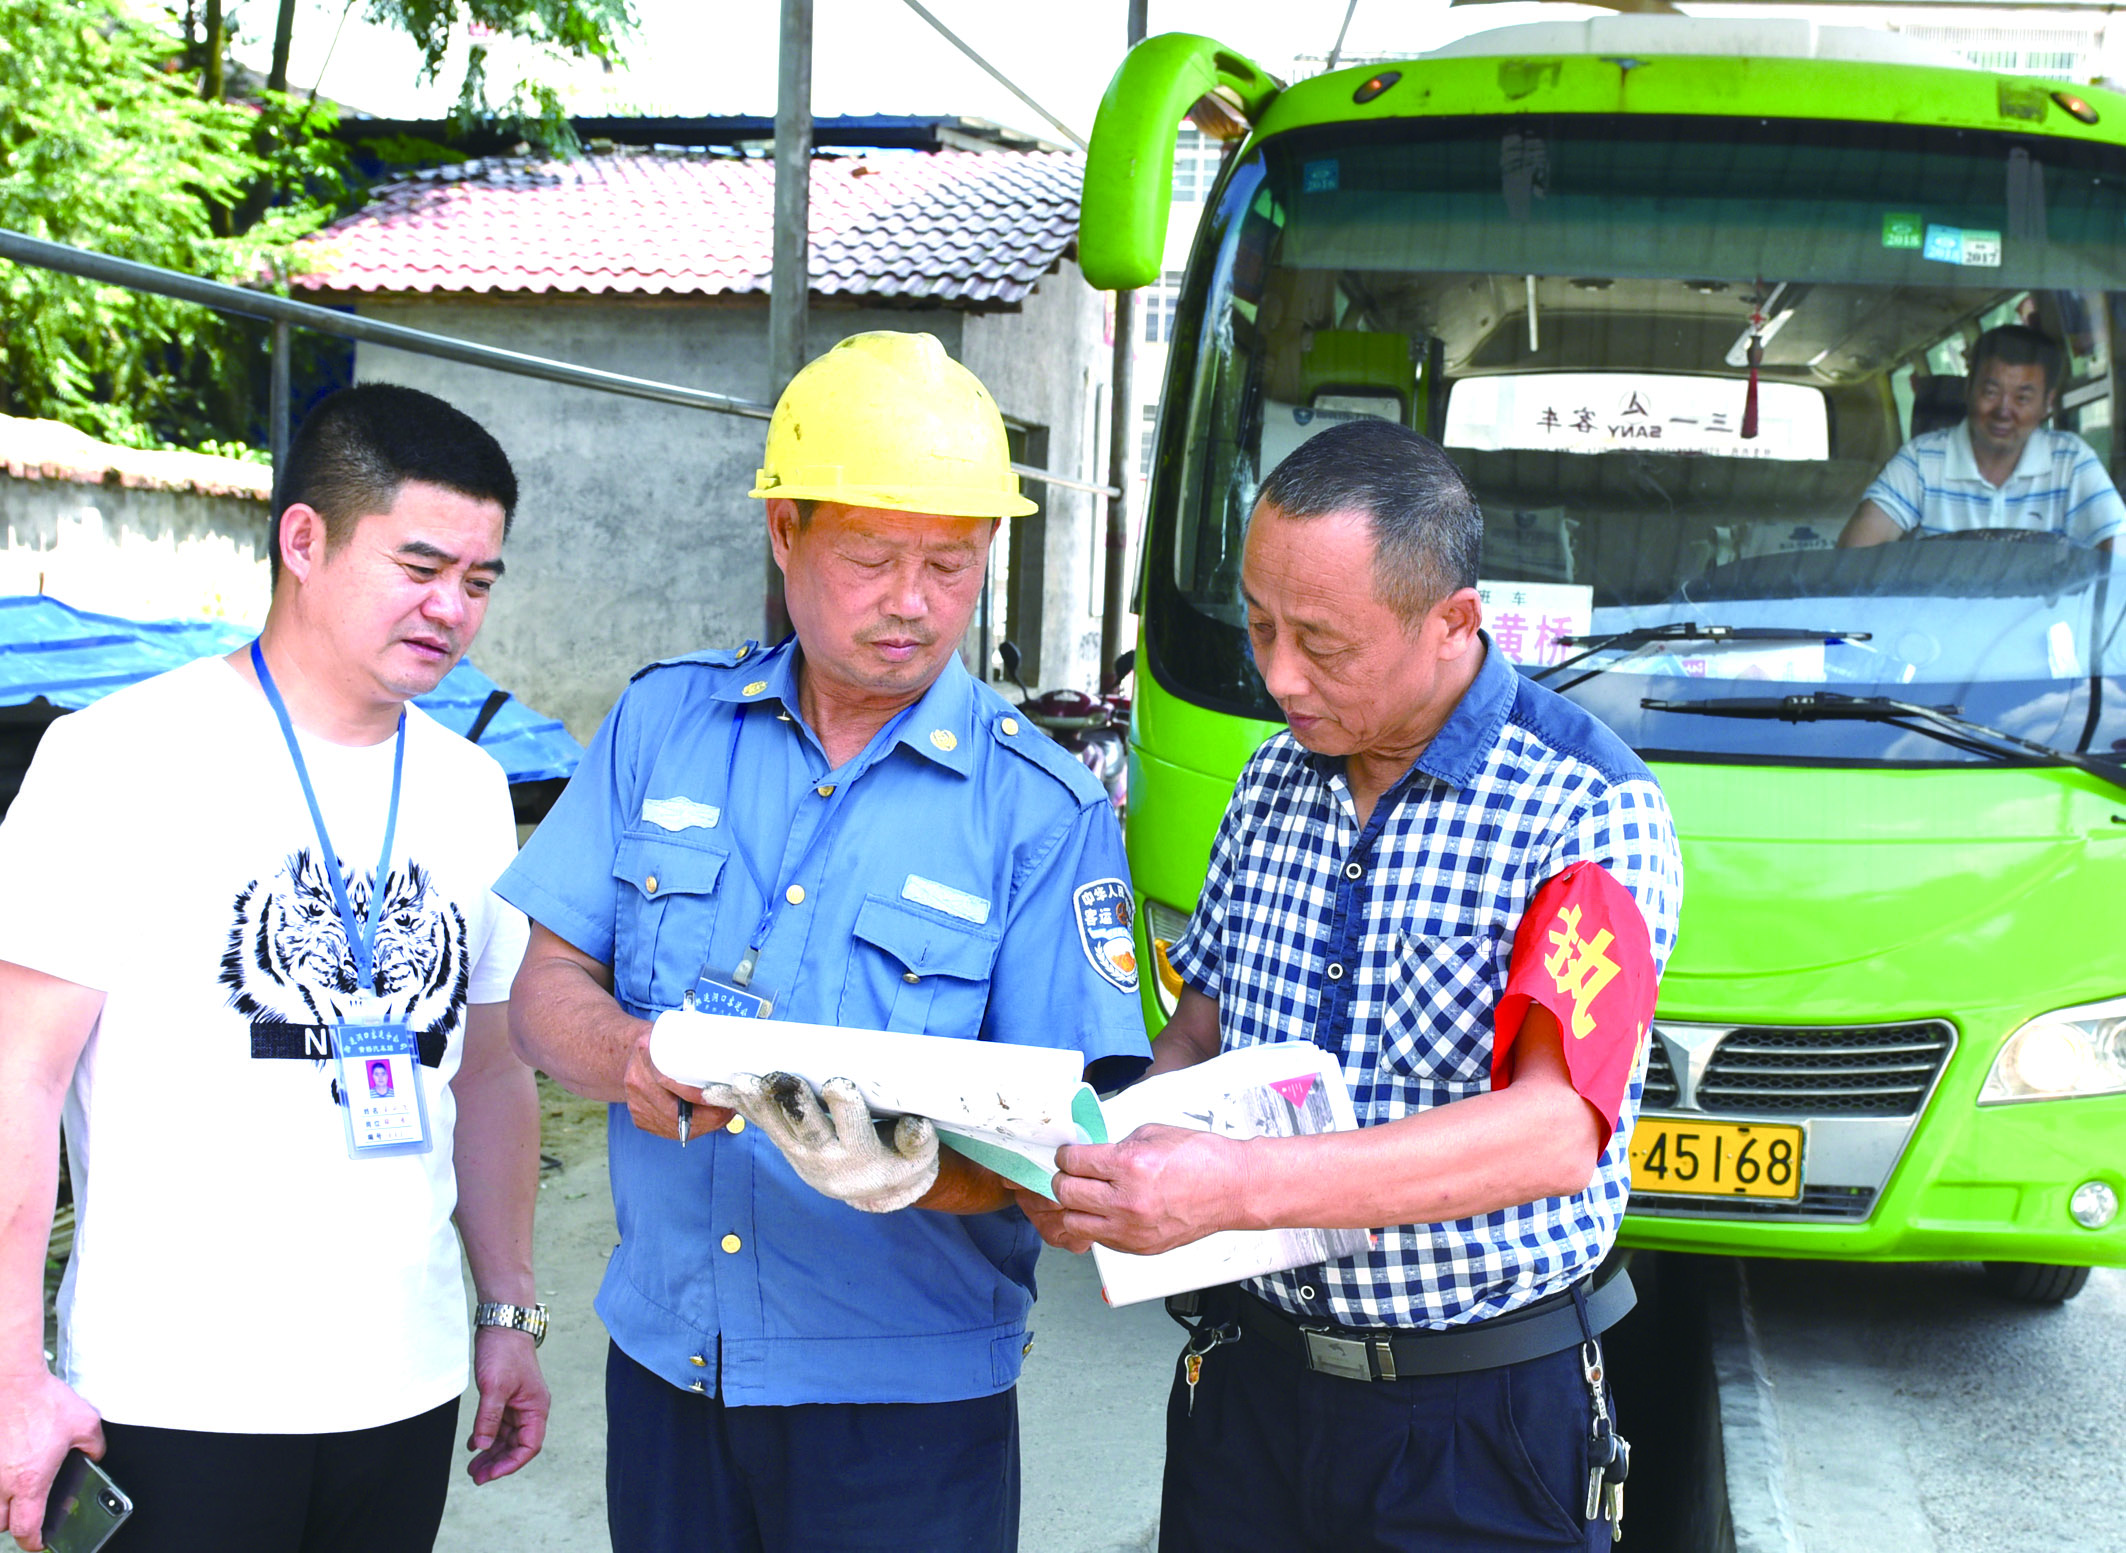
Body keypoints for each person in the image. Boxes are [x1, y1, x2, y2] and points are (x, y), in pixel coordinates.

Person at [498, 330, 1151, 1553]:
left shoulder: (1040, 812)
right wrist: (627, 1053)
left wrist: (922, 1175)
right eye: (870, 557)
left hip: (902, 1410)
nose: (912, 601)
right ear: (785, 531)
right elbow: (545, 983)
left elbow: (1086, 1154)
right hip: (669, 1363)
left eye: (950, 565)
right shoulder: (663, 723)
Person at [1026, 418, 1684, 1553]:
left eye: (1322, 645)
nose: (1278, 675)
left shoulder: (1585, 811)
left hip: (1472, 1423)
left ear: (1451, 623)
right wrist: (1102, 1159)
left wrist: (1235, 1186)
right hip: (1252, 1390)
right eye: (1260, 624)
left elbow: (1551, 1130)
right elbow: (1198, 1030)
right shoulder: (1273, 779)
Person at [0, 385, 548, 1553]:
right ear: (304, 540)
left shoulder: (466, 789)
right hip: (174, 1396)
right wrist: (11, 1374)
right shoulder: (117, 759)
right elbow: (19, 1083)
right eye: (420, 565)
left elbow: (491, 1071)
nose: (452, 608)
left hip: (405, 1386)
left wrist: (505, 1308)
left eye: (480, 579)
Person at [1839, 323, 2124, 549]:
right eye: (1990, 392)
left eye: (2022, 398)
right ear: (1968, 390)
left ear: (2048, 403)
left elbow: (2118, 556)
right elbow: (1855, 555)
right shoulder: (1922, 460)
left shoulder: (2071, 461)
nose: (2003, 410)